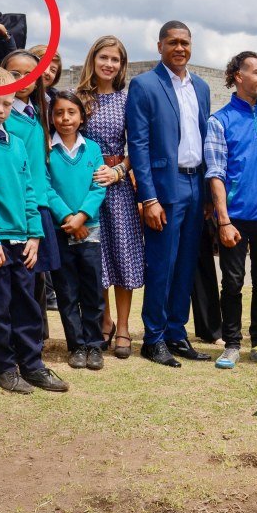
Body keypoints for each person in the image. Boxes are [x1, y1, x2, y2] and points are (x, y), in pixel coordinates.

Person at [0, 67, 68, 393]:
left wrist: (35, 235)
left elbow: (28, 191)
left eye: (7, 104)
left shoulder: (19, 144)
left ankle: (32, 365)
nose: (0, 110)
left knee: (28, 306)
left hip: (23, 240)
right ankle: (4, 367)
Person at [126, 20, 211, 367]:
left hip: (196, 183)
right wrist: (148, 197)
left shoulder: (201, 87)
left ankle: (177, 333)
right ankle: (154, 338)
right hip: (164, 187)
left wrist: (207, 195)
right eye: (173, 42)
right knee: (163, 264)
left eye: (185, 43)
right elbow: (139, 144)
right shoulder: (144, 85)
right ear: (159, 46)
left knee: (187, 264)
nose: (180, 48)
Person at [204, 51, 257, 369]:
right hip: (235, 218)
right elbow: (215, 174)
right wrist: (223, 220)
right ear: (238, 76)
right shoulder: (219, 120)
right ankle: (233, 344)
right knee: (233, 283)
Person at [76, 36, 144, 359]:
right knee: (96, 257)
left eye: (115, 60)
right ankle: (104, 321)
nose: (109, 64)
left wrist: (118, 172)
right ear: (93, 59)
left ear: (121, 65)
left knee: (123, 254)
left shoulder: (128, 99)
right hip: (86, 187)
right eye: (103, 57)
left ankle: (125, 326)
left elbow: (137, 147)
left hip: (118, 187)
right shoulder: (79, 98)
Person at [1, 51, 61, 341]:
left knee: (35, 279)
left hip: (38, 204)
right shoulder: (1, 113)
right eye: (14, 73)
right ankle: (16, 345)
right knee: (17, 284)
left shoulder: (35, 113)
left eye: (29, 74)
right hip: (15, 207)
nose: (23, 80)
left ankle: (34, 342)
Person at [46, 91, 107, 370]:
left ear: (81, 117)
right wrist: (68, 218)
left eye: (71, 112)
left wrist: (82, 217)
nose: (65, 118)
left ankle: (94, 345)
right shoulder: (46, 150)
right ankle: (77, 346)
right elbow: (45, 187)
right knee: (67, 291)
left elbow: (98, 187)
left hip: (89, 230)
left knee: (92, 289)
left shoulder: (92, 149)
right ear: (51, 117)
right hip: (60, 230)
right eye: (58, 112)